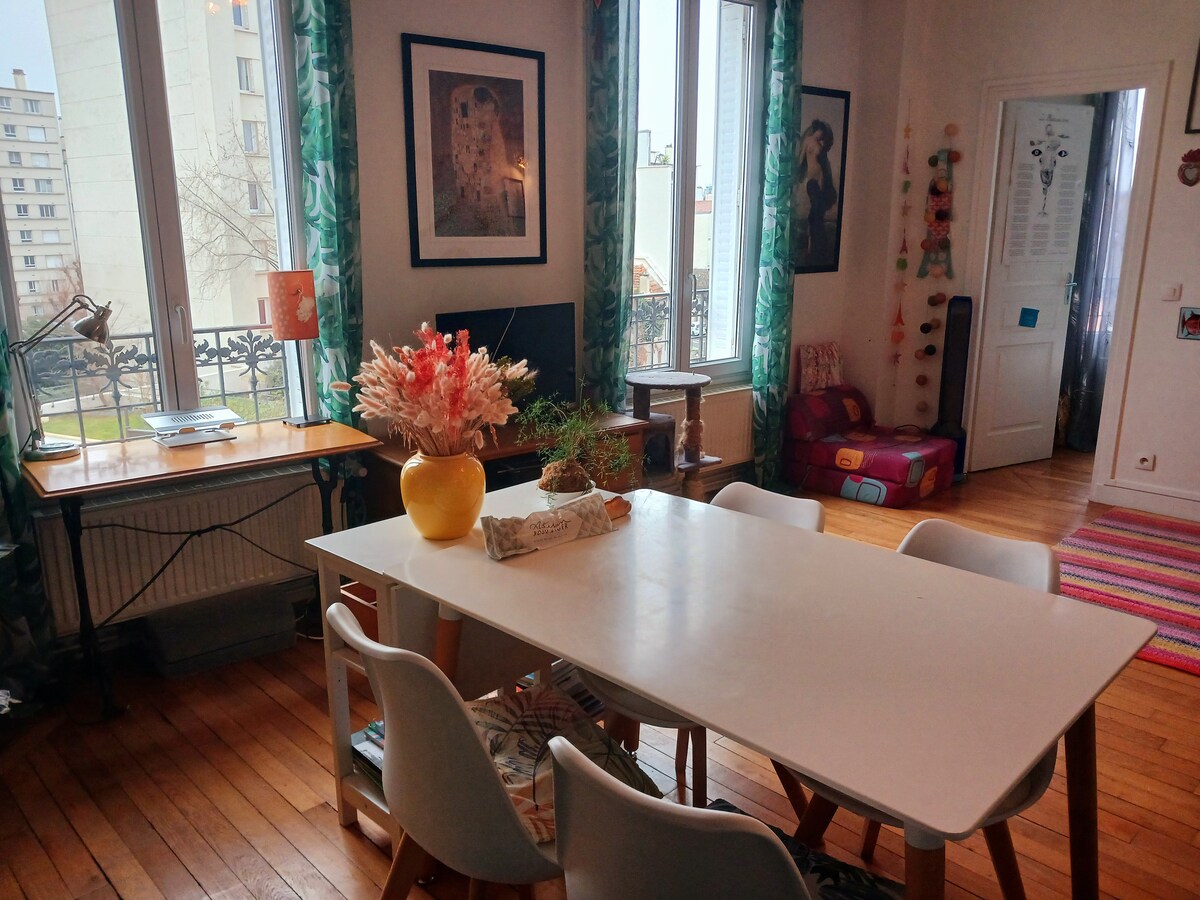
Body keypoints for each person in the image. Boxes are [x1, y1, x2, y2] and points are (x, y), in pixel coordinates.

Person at [795, 118, 838, 265]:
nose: (822, 136)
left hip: (821, 182)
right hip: (813, 181)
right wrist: (797, 173)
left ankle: (816, 246)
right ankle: (814, 245)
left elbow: (824, 167)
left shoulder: (821, 146)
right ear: (816, 130)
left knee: (817, 213)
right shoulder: (809, 141)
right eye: (821, 132)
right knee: (815, 213)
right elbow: (802, 158)